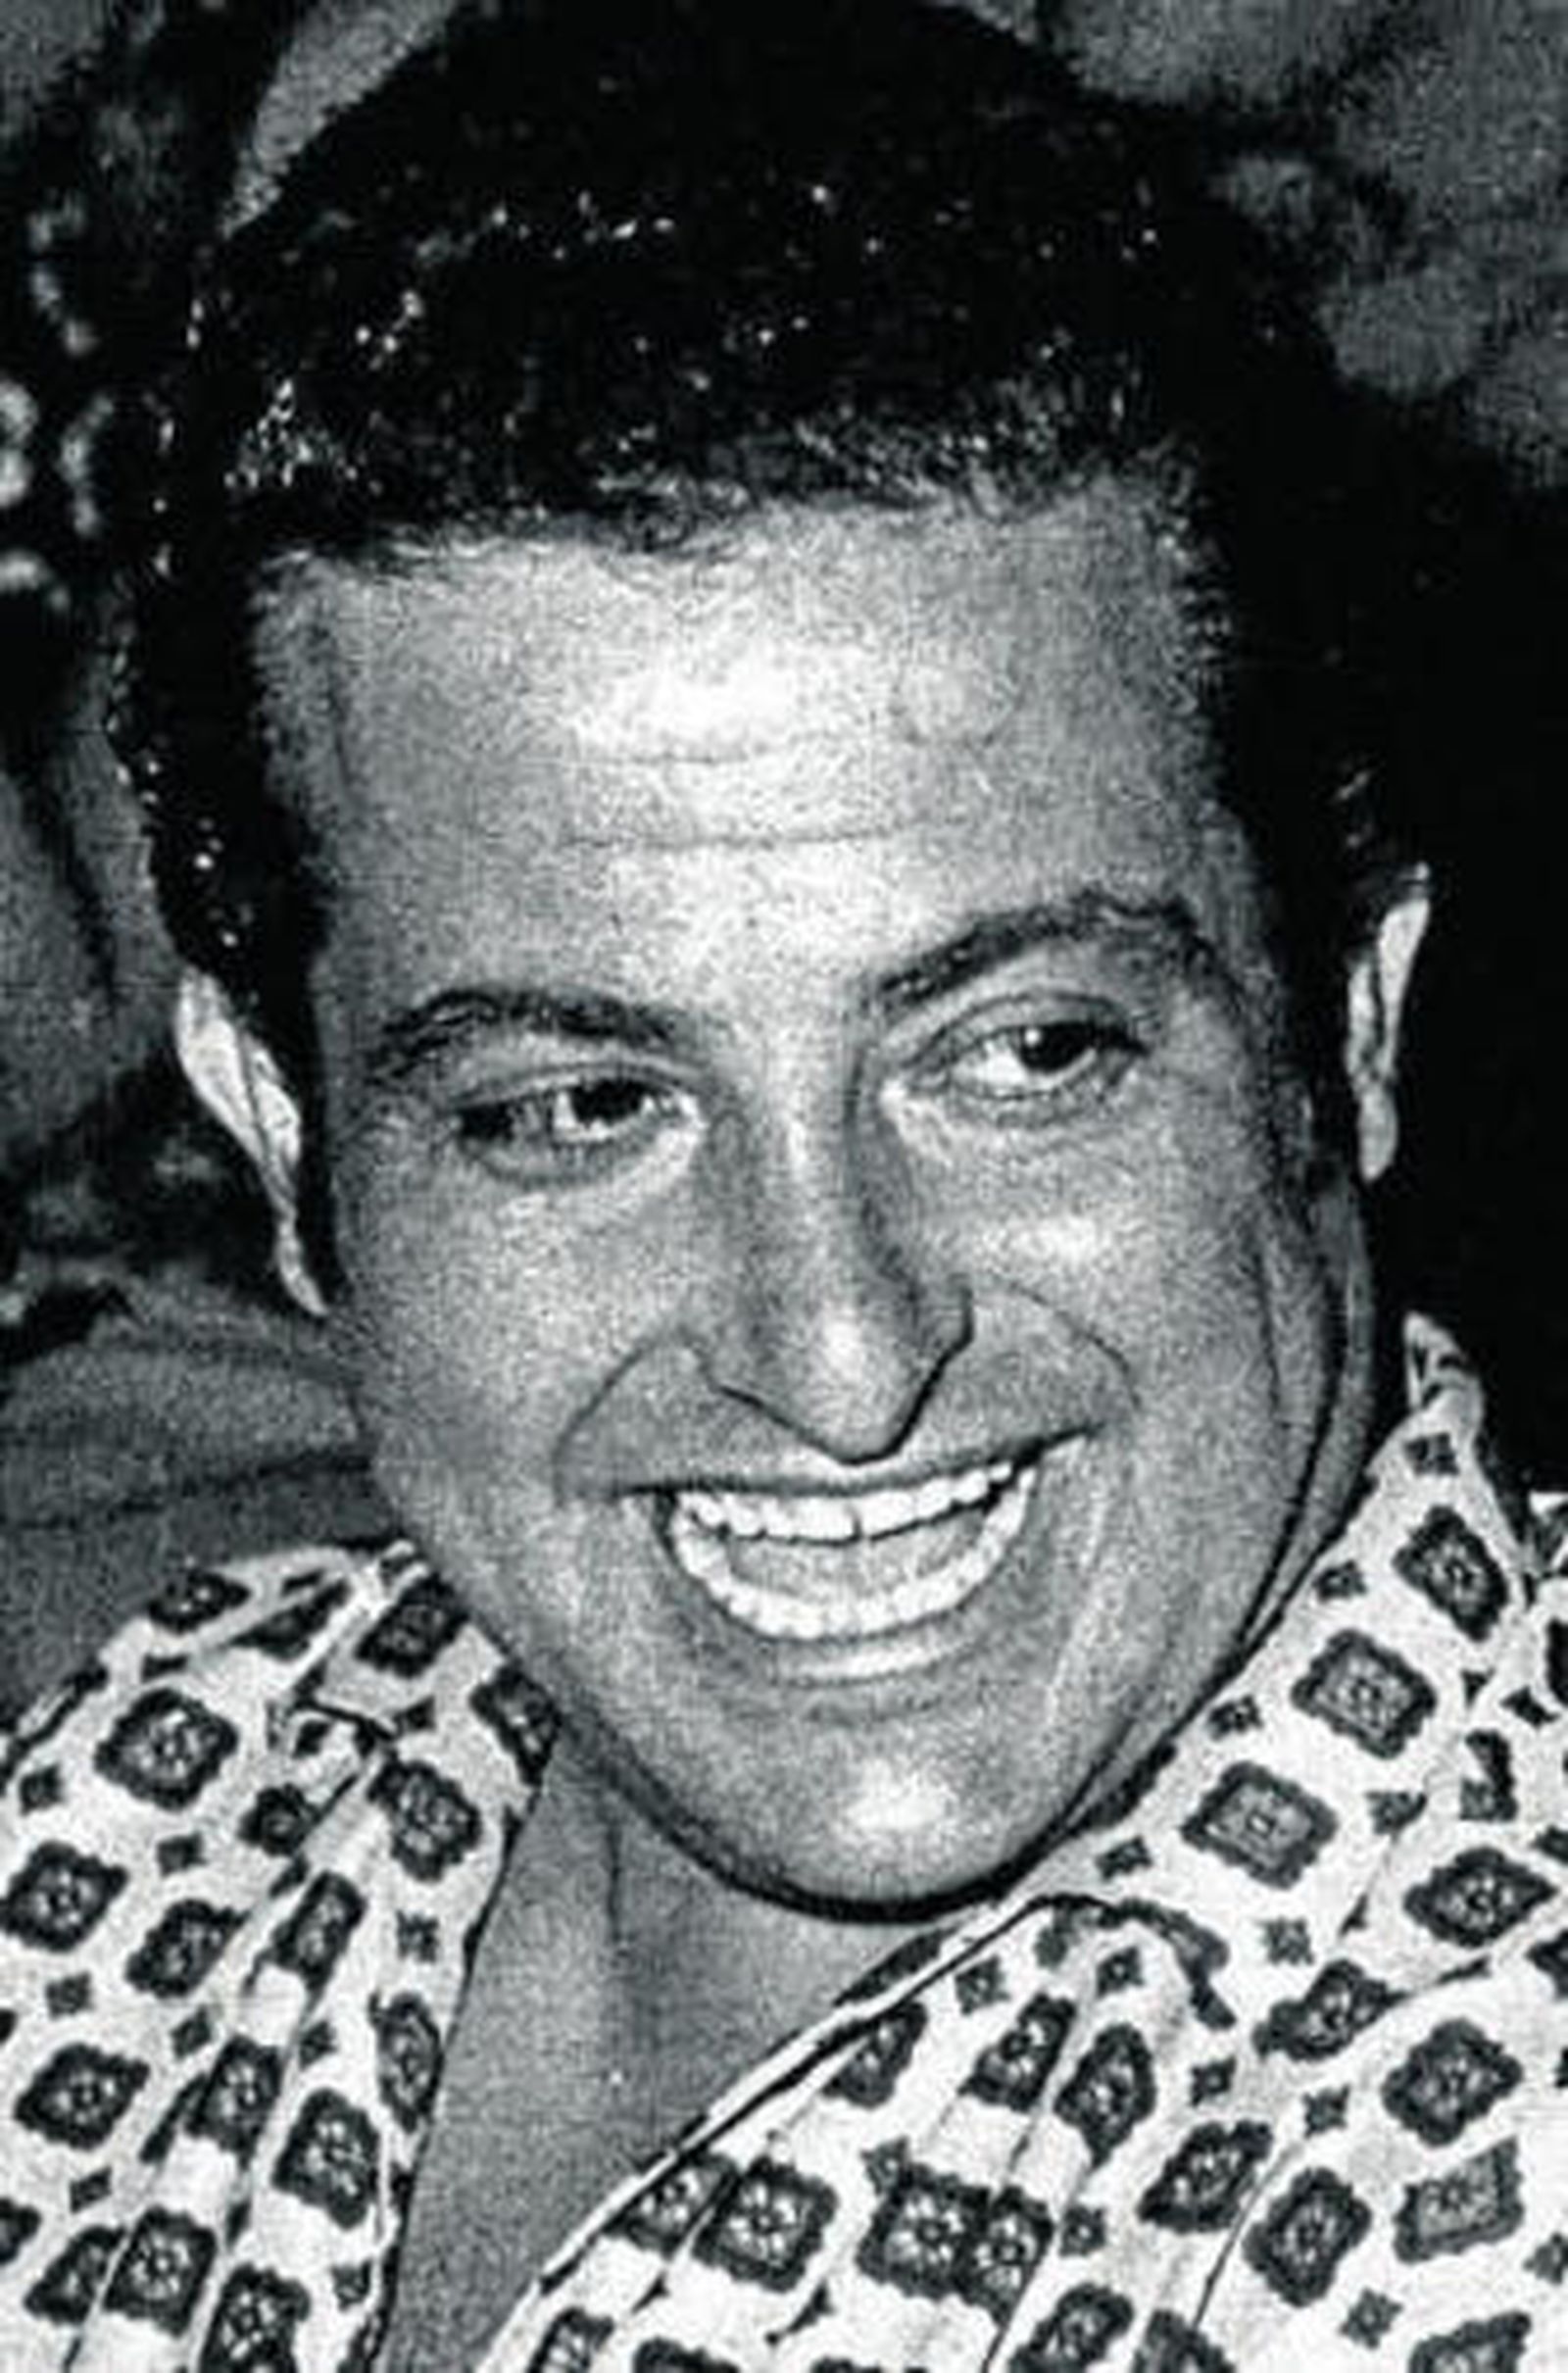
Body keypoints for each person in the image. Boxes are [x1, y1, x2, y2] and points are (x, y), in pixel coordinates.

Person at [1, 2, 1562, 2363]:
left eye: (1023, 1055)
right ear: (281, 1139)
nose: (838, 1354)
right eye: (574, 1109)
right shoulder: (142, 1793)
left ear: (1342, 1017)